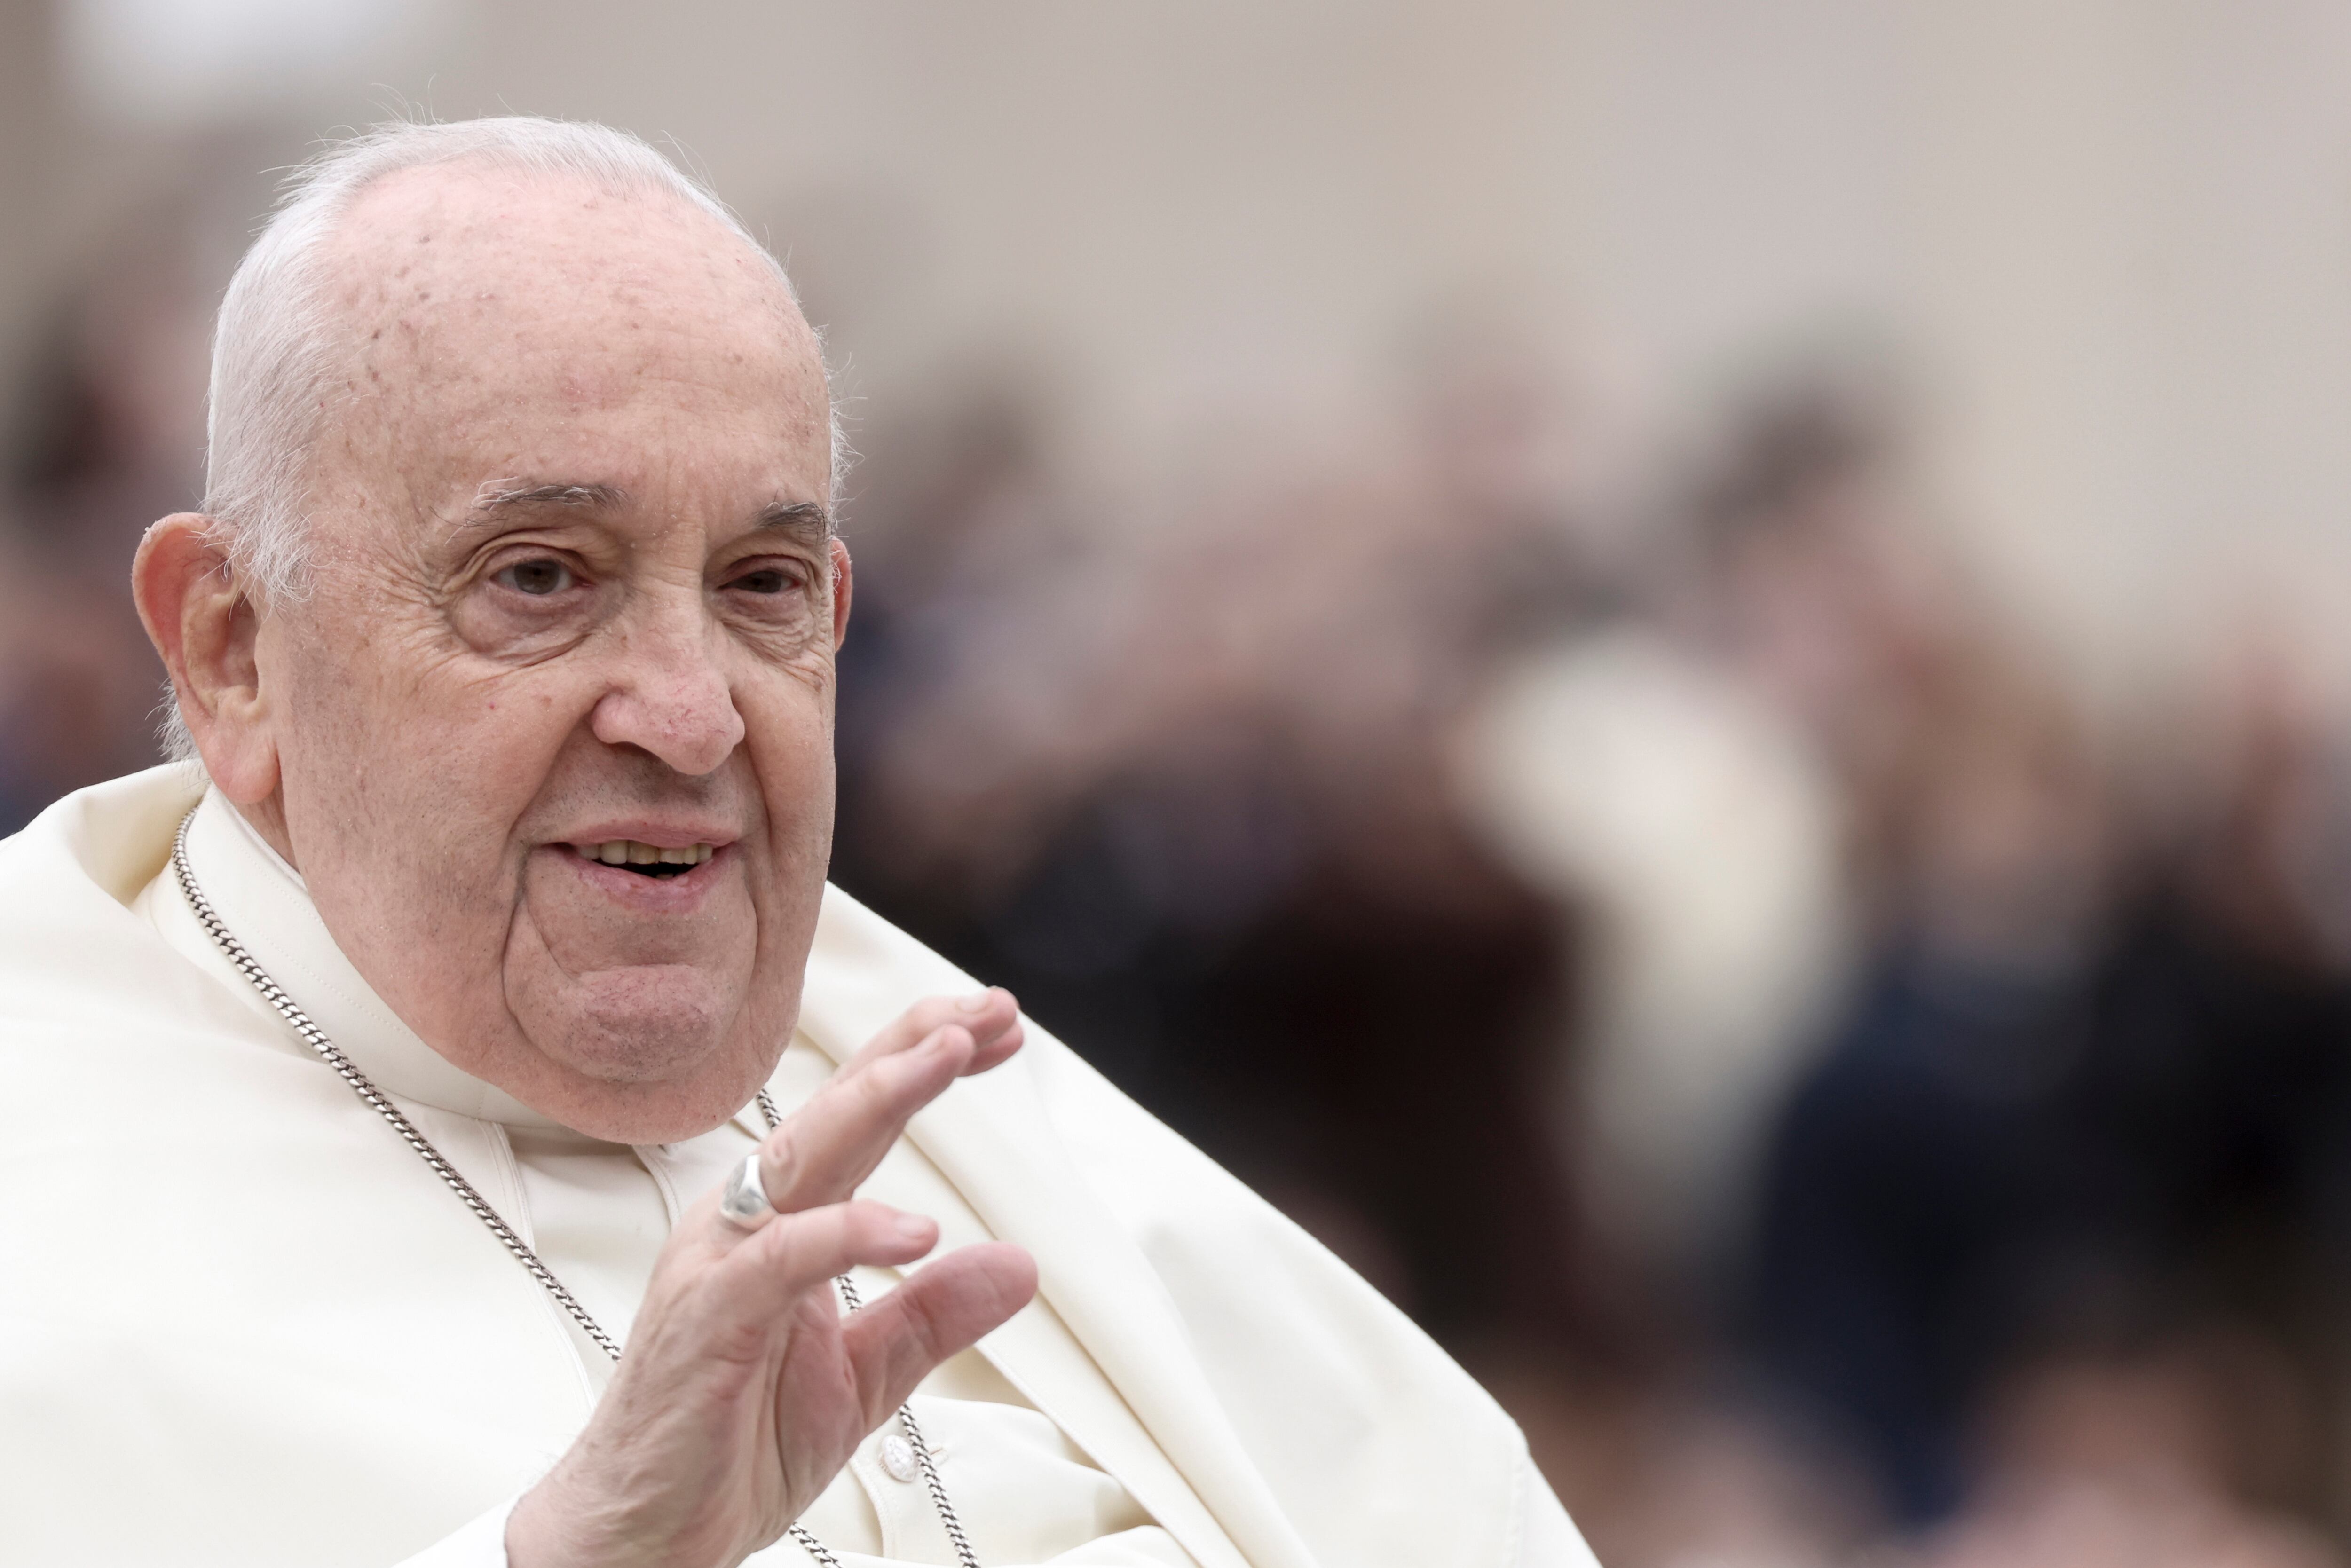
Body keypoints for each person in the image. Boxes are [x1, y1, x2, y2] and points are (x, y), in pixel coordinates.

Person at [0, 118, 1594, 1568]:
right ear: (231, 647)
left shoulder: (962, 1096)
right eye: (540, 577)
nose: (692, 718)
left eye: (760, 586)